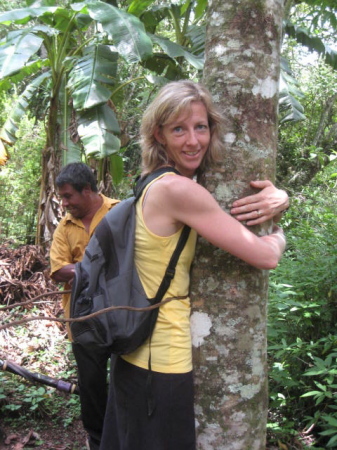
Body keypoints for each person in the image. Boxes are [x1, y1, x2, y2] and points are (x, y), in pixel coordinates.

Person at [100, 80, 287, 450]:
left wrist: (281, 196)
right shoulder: (179, 191)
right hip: (160, 364)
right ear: (159, 134)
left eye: (200, 127)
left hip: (133, 357)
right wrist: (278, 231)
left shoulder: (152, 183)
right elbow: (266, 256)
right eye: (178, 129)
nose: (193, 140)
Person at [49, 162, 119, 450]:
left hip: (122, 315)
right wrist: (99, 269)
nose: (64, 203)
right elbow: (57, 270)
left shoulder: (119, 212)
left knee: (127, 381)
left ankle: (126, 436)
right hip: (82, 319)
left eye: (68, 197)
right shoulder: (64, 227)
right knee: (91, 387)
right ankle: (98, 441)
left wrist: (79, 269)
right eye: (62, 197)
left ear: (87, 190)